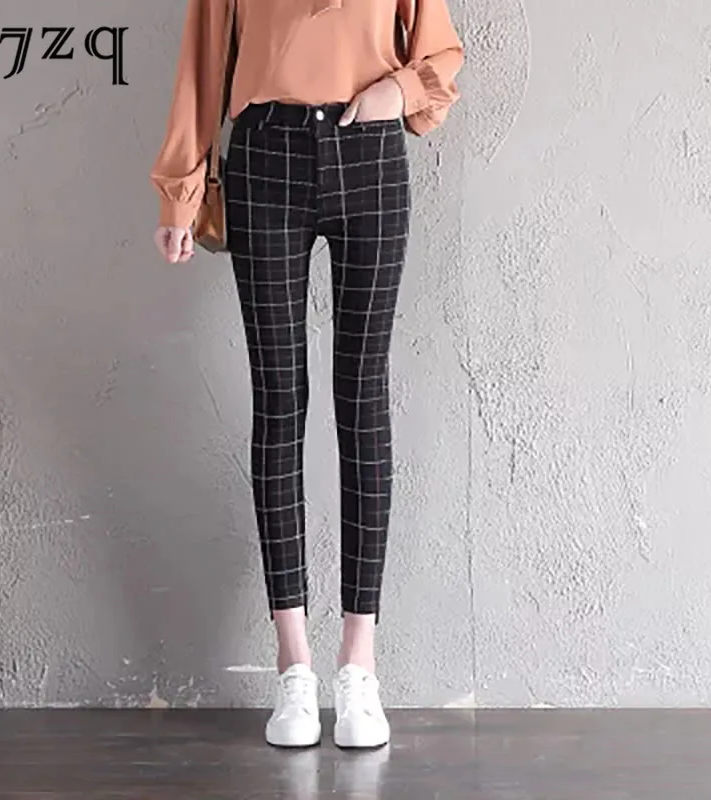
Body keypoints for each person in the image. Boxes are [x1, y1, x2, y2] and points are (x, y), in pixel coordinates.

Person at [150, 0, 464, 749]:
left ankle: (360, 665)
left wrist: (395, 93)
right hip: (265, 156)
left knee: (363, 401)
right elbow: (201, 65)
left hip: (370, 155)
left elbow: (440, 56)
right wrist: (181, 193)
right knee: (279, 401)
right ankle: (294, 665)